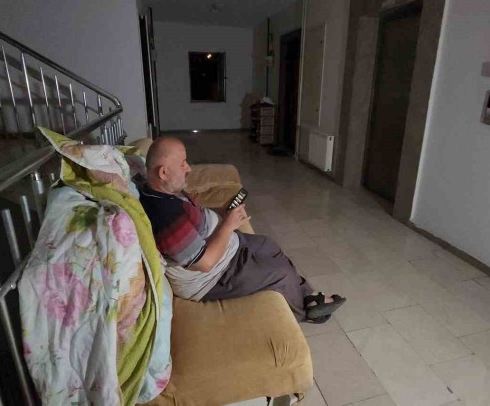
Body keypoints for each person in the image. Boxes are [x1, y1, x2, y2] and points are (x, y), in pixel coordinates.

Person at [138, 136, 345, 323]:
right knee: (280, 274)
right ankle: (305, 312)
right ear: (163, 172)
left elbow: (194, 218)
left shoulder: (164, 190)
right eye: (182, 163)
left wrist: (221, 212)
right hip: (212, 278)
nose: (188, 168)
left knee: (268, 245)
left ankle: (309, 295)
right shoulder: (164, 216)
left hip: (222, 248)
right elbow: (205, 264)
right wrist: (227, 225)